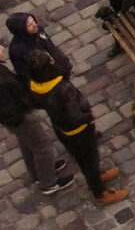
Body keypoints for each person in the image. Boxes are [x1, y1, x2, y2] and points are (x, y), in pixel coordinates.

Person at [19, 50, 123, 205]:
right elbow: (76, 116)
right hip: (80, 130)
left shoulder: (35, 86)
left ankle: (94, 178)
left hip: (61, 127)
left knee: (81, 158)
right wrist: (88, 117)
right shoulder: (62, 88)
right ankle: (99, 193)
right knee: (90, 160)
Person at [0, 62, 73, 198]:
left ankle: (39, 172)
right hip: (20, 118)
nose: (1, 48)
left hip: (19, 116)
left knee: (28, 143)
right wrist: (23, 117)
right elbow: (6, 109)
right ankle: (48, 182)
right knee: (43, 146)